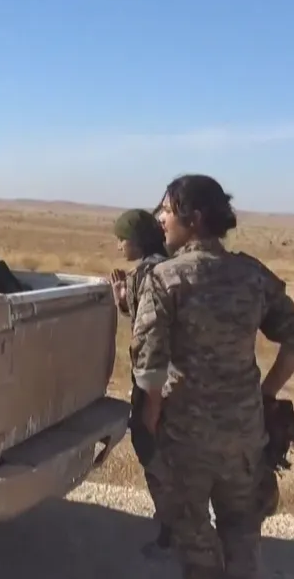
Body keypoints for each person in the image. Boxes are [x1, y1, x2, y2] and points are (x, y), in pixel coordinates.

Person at [132, 174, 294, 579]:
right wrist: (265, 394)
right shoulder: (252, 274)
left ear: (194, 218)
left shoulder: (165, 279)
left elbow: (148, 368)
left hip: (186, 439)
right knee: (243, 534)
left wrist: (150, 420)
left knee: (194, 539)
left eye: (167, 210)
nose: (160, 218)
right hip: (245, 435)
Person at [107, 209, 172, 557]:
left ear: (139, 240)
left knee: (150, 446)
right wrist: (123, 298)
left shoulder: (149, 274)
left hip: (156, 380)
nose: (119, 245)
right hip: (172, 379)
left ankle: (171, 527)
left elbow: (150, 336)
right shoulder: (165, 266)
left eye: (123, 239)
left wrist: (150, 398)